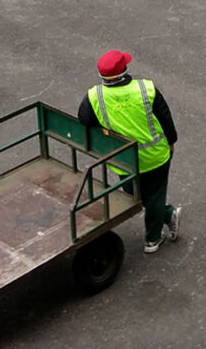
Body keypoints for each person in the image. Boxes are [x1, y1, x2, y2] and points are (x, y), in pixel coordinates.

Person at [77, 50, 180, 254]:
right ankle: (154, 237)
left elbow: (85, 119)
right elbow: (166, 119)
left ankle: (163, 217)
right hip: (155, 157)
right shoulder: (146, 89)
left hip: (124, 160)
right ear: (124, 70)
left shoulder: (95, 95)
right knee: (155, 196)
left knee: (136, 194)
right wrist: (172, 142)